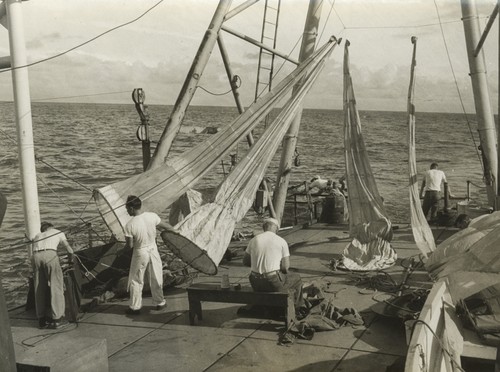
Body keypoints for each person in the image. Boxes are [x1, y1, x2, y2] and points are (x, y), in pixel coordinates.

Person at [124, 195, 173, 315]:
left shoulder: (129, 225)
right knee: (156, 276)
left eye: (126, 208)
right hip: (153, 249)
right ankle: (160, 302)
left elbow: (129, 246)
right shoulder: (152, 216)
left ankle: (135, 307)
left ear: (131, 208)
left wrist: (121, 251)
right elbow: (166, 227)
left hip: (140, 252)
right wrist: (177, 232)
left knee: (136, 280)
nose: (126, 211)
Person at [243, 218, 303, 307]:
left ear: (264, 228)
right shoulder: (281, 241)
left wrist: (260, 264)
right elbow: (285, 268)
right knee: (297, 278)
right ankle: (298, 308)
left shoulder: (254, 240)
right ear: (277, 229)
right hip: (271, 282)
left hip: (255, 282)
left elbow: (245, 262)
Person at [32, 221, 74, 329]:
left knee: (38, 288)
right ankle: (57, 320)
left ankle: (41, 320)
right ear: (51, 227)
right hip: (50, 255)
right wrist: (71, 260)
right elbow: (69, 249)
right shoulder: (57, 232)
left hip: (36, 257)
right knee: (56, 286)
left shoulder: (37, 236)